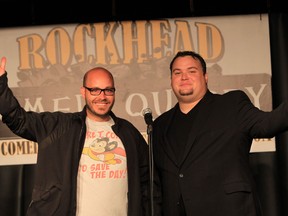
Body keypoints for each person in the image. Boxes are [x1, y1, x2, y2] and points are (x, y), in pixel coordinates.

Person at [0, 57, 151, 216]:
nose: (102, 96)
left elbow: (147, 184)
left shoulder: (129, 133)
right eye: (95, 90)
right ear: (83, 92)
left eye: (108, 90)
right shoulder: (60, 127)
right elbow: (18, 119)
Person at [152, 50, 288, 216]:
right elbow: (157, 184)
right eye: (177, 72)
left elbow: (269, 124)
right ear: (171, 80)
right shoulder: (160, 125)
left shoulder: (231, 104)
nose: (184, 77)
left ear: (206, 77)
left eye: (192, 71)